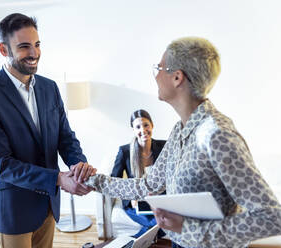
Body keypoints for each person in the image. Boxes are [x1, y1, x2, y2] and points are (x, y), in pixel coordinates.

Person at [85, 37, 281, 247]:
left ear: (177, 77)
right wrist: (91, 180)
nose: (156, 75)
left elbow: (271, 217)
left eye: (159, 68)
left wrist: (190, 230)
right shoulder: (179, 131)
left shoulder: (217, 135)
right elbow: (147, 185)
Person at [0, 13, 95, 248]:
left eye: (37, 45)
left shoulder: (50, 88)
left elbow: (66, 138)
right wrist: (58, 179)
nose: (34, 53)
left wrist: (78, 166)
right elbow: (1, 165)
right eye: (24, 46)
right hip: (13, 210)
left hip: (48, 204)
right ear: (3, 49)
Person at [111, 109, 166, 238]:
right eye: (138, 127)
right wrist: (130, 197)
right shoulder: (125, 151)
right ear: (133, 130)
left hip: (159, 200)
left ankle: (130, 243)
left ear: (152, 125)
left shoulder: (164, 146)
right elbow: (115, 180)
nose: (143, 130)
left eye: (146, 125)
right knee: (158, 223)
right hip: (136, 202)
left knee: (168, 219)